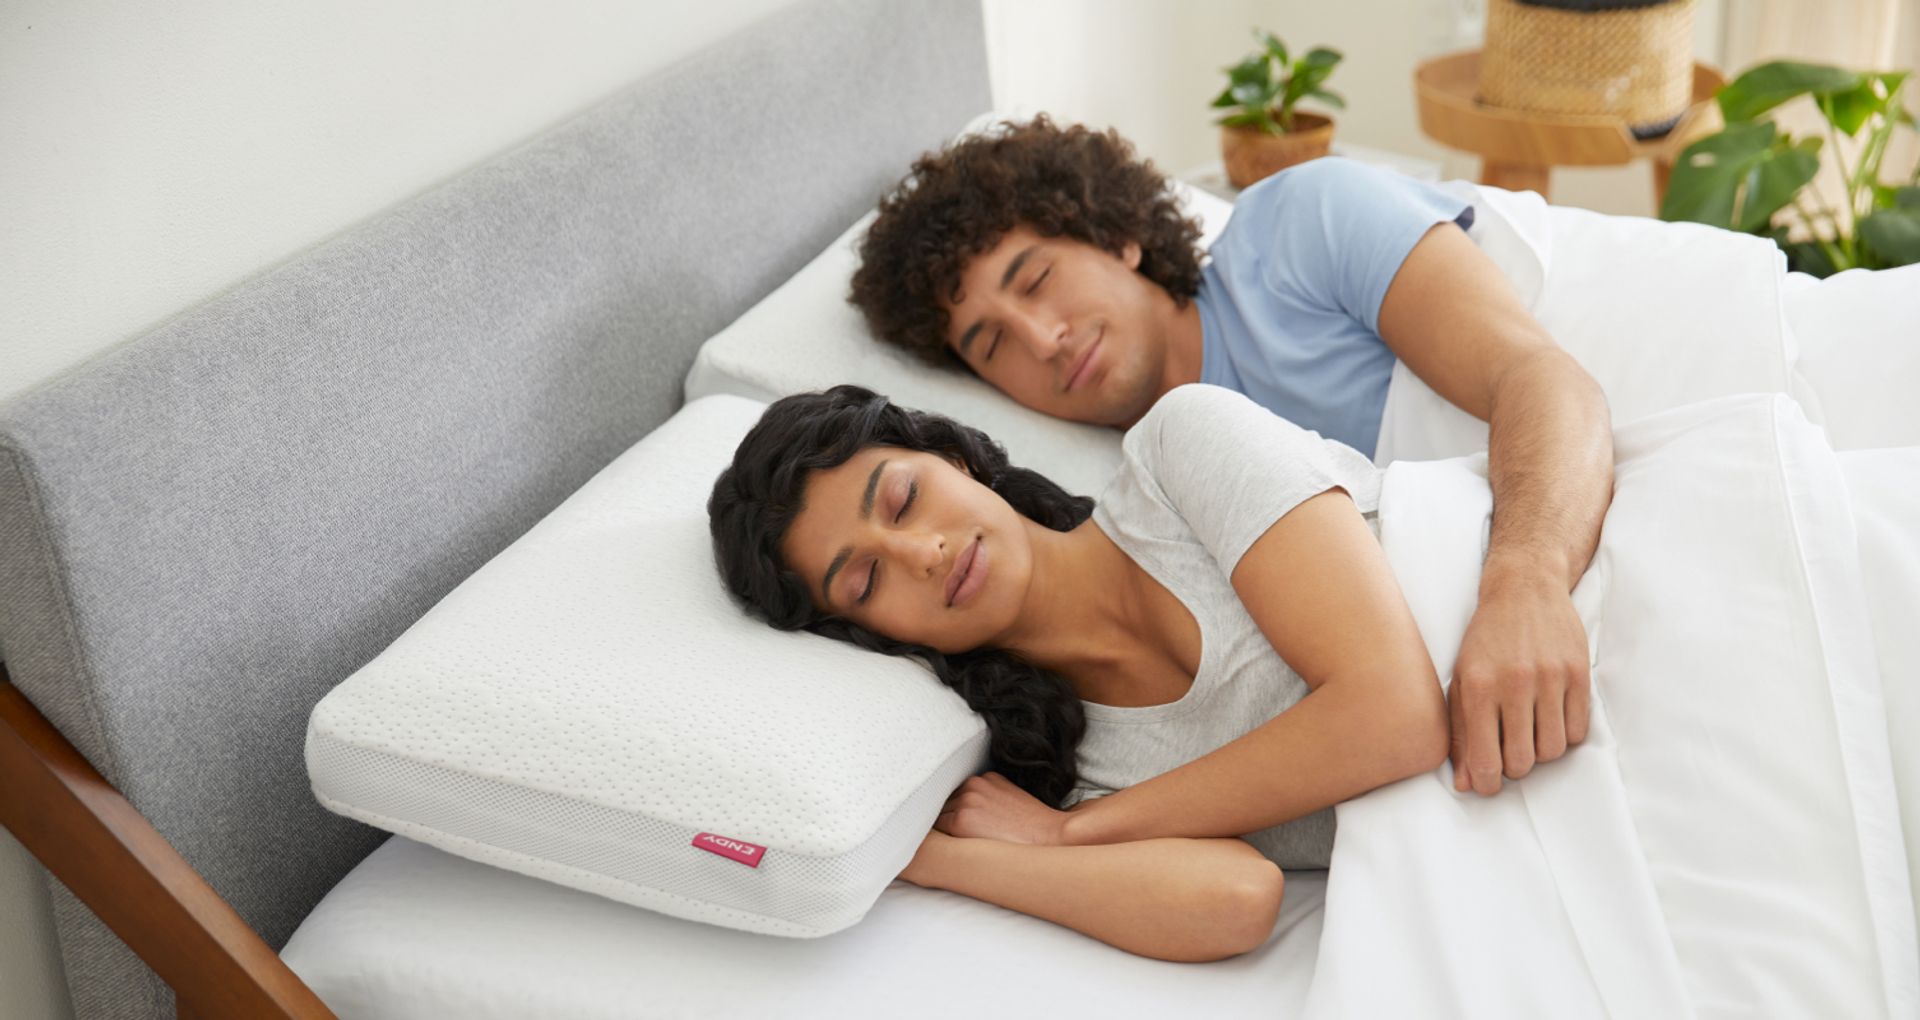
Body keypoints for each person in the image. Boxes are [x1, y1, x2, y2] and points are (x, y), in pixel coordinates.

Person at [848, 117, 1610, 797]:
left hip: (1574, 511)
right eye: (993, 345)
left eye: (1039, 280)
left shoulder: (1299, 225)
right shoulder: (1134, 515)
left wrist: (1525, 586)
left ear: (1114, 232)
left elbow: (1540, 378)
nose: (1043, 339)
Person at [709, 382, 1449, 961]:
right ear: (871, 635)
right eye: (867, 582)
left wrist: (1073, 838)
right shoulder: (1057, 766)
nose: (922, 553)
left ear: (953, 458)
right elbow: (1236, 899)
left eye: (904, 500)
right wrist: (935, 861)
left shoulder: (1179, 451)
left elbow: (1399, 714)